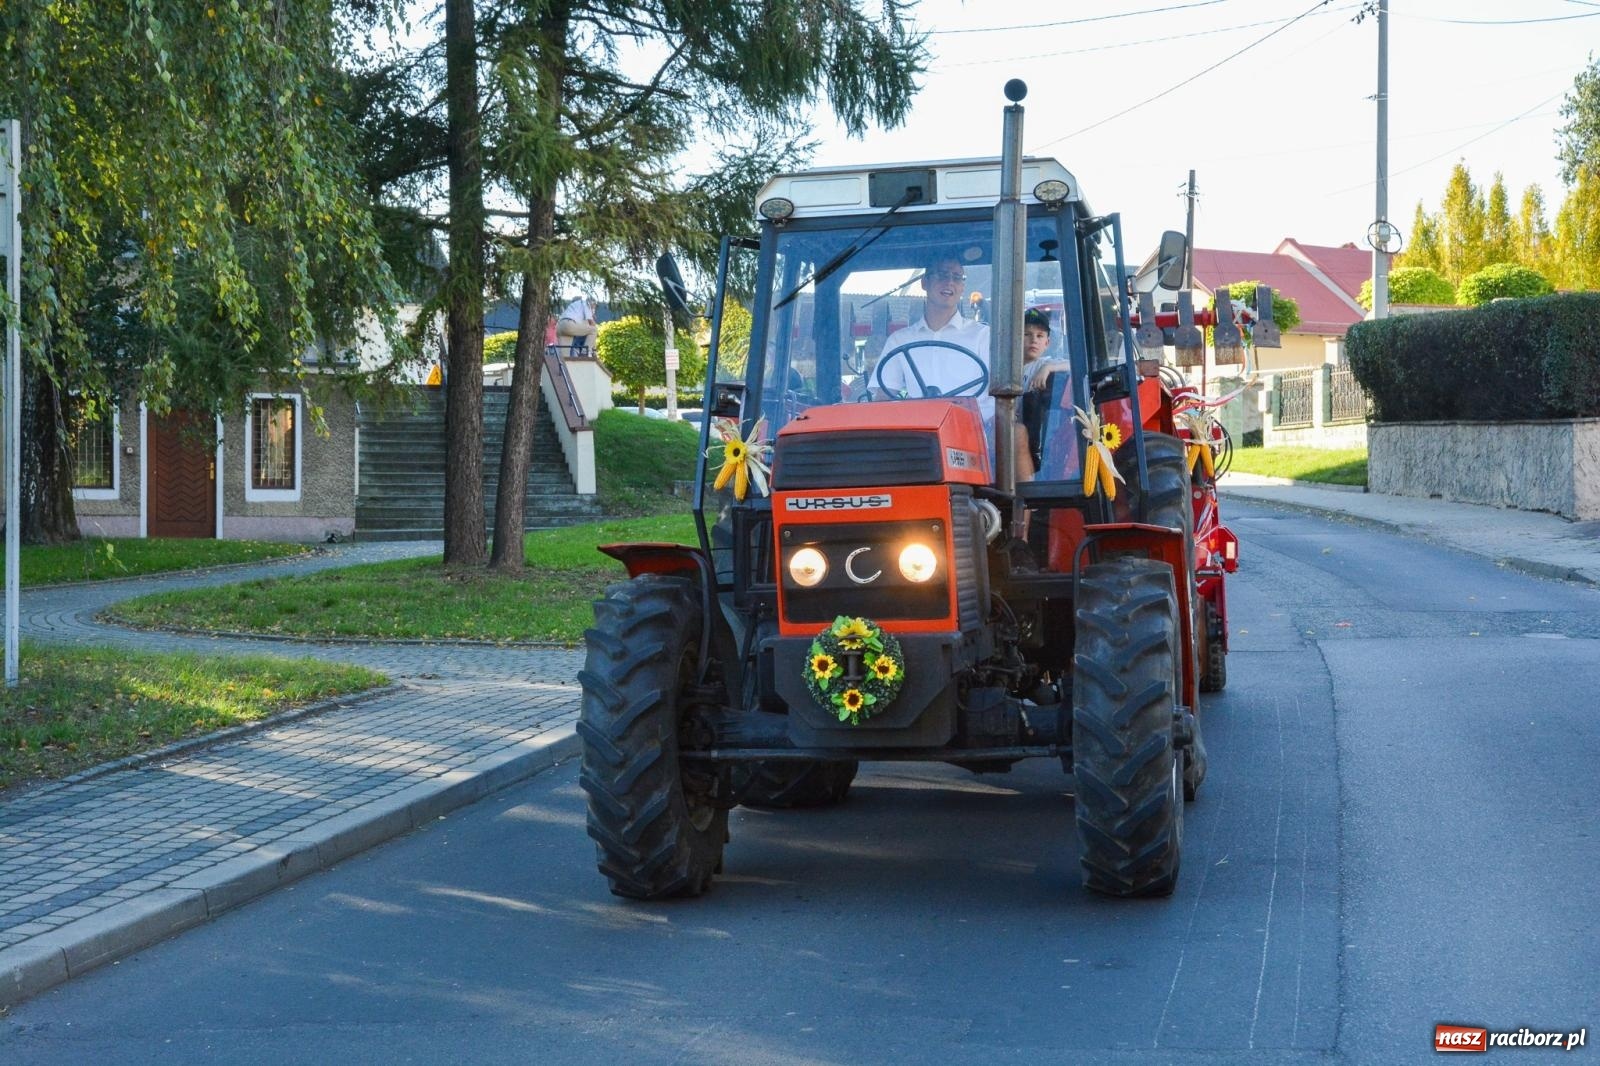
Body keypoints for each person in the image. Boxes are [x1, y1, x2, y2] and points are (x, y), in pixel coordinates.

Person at [876, 253, 993, 423]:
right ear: (924, 283)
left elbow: (1008, 388)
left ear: (962, 287)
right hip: (921, 432)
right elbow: (883, 398)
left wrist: (1045, 365)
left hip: (977, 429)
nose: (950, 282)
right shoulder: (900, 340)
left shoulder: (983, 335)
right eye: (943, 275)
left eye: (957, 277)